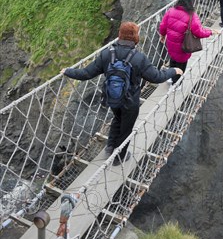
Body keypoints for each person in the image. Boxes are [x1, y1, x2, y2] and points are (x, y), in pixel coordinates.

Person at [61, 22, 182, 164]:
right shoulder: (139, 58)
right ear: (135, 37)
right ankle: (119, 157)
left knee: (117, 118)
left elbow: (86, 73)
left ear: (120, 35)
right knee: (126, 128)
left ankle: (110, 147)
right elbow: (156, 77)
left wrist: (68, 71)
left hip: (112, 97)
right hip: (130, 101)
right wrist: (173, 70)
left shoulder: (107, 54)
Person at [159, 0, 219, 83]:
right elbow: (199, 32)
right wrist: (211, 32)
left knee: (173, 59)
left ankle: (171, 77)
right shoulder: (192, 16)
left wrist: (162, 35)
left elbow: (163, 25)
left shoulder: (171, 11)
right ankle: (176, 84)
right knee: (181, 65)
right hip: (183, 46)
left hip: (171, 43)